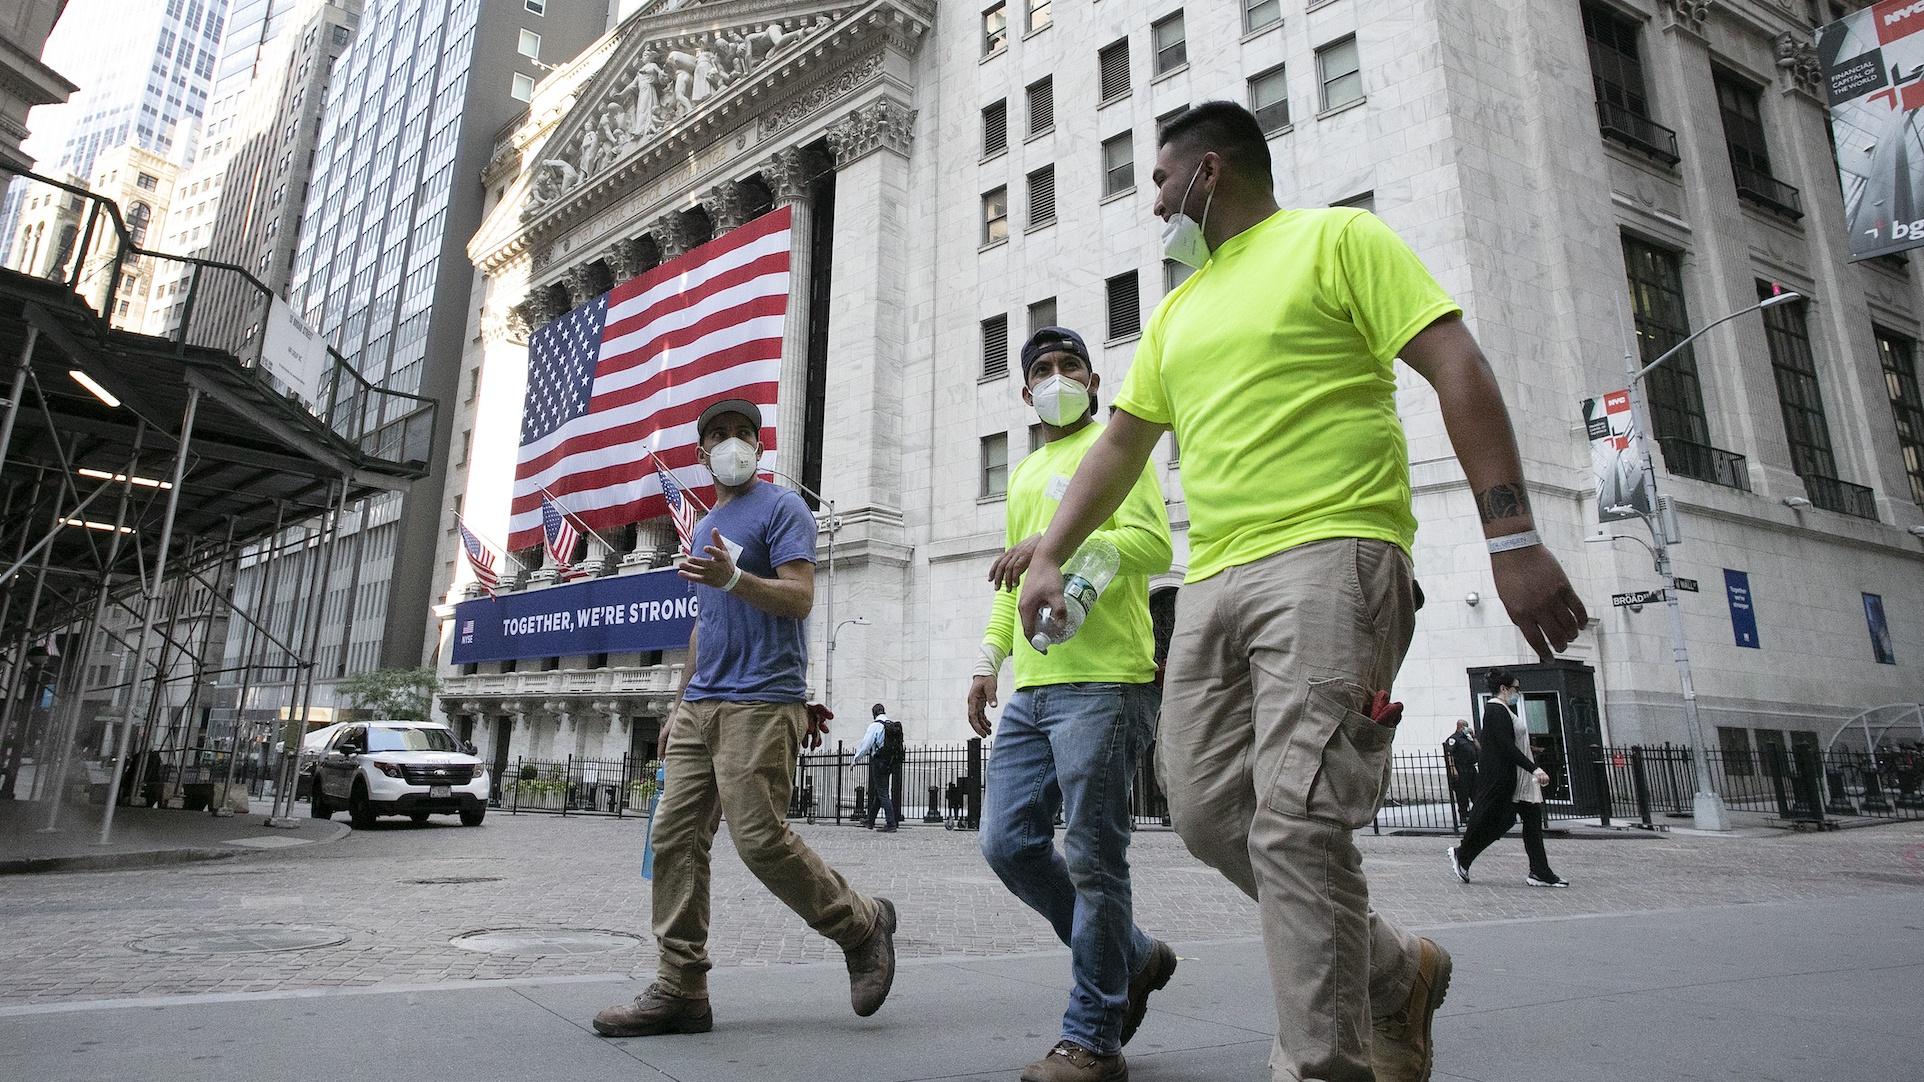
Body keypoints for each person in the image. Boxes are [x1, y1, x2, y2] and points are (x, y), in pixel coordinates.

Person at [1015, 101, 1589, 1082]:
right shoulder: (1178, 309)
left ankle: (1321, 1062)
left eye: (1157, 181)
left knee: (1294, 817)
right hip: (1214, 580)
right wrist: (1048, 553)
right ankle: (1392, 969)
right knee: (1202, 810)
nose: (1151, 202)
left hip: (1335, 556)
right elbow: (1116, 445)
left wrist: (1514, 535)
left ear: (1206, 173)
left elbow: (1455, 360)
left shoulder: (1338, 239)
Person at [593, 398, 897, 1038]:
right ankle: (681, 988)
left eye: (743, 434)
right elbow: (705, 623)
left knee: (759, 839)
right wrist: (678, 706)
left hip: (763, 699)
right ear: (702, 452)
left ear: (759, 447)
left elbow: (800, 597)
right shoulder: (704, 527)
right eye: (719, 436)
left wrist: (735, 579)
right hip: (701, 707)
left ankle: (862, 924)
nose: (733, 443)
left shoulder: (783, 508)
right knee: (673, 840)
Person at [968, 326, 1179, 1082]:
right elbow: (1012, 578)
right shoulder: (1025, 474)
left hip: (1106, 681)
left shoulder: (1114, 455)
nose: (1058, 378)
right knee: (1007, 843)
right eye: (1044, 370)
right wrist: (988, 661)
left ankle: (1094, 1037)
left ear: (1093, 381)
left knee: (1094, 855)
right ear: (1025, 392)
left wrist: (1073, 546)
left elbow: (1155, 545)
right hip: (1032, 686)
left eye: (1070, 367)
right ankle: (1134, 955)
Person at [1449, 671, 1568, 889]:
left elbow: (1512, 744)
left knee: (1530, 822)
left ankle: (1539, 871)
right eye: (1515, 688)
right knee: (1503, 821)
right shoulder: (1495, 710)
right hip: (1514, 777)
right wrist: (1534, 768)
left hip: (1520, 778)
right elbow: (1505, 746)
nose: (1517, 692)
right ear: (1504, 689)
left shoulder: (1503, 710)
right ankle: (1463, 854)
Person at [853, 703, 903, 832]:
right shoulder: (891, 725)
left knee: (883, 793)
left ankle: (891, 823)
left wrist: (855, 760)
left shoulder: (875, 726)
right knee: (879, 792)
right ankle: (870, 820)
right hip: (891, 763)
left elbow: (866, 745)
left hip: (879, 762)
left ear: (874, 713)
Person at [1443, 720, 1479, 821]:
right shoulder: (1454, 739)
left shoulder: (1468, 738)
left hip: (1471, 767)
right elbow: (1449, 753)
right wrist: (1452, 768)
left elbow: (1479, 749)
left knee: (1476, 791)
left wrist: (1474, 737)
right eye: (1466, 727)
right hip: (1460, 768)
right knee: (1462, 793)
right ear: (1461, 727)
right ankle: (1464, 815)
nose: (1467, 728)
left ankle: (1476, 813)